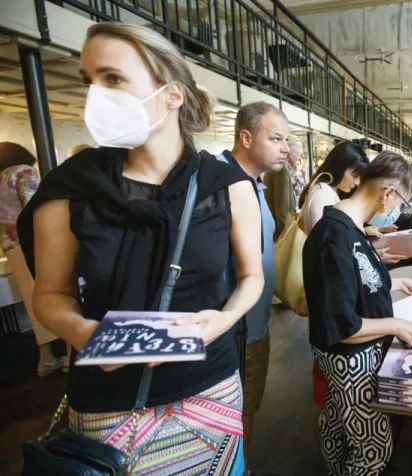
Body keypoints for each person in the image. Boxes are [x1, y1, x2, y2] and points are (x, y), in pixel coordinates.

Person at [17, 22, 264, 474]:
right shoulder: (71, 188)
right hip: (107, 403)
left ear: (172, 95)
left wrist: (225, 319)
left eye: (113, 78)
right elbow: (50, 294)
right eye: (89, 80)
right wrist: (84, 333)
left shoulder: (226, 185)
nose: (97, 95)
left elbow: (252, 276)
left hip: (210, 389)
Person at [304, 151, 412, 475]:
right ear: (387, 193)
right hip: (350, 357)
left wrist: (394, 283)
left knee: (337, 427)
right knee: (374, 449)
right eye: (401, 203)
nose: (398, 211)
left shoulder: (351, 227)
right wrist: (395, 324)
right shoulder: (335, 235)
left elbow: (355, 283)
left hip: (349, 355)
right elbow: (344, 325)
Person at [212, 101, 289, 470]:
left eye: (286, 140)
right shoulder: (220, 182)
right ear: (246, 137)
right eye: (276, 139)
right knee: (231, 414)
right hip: (232, 328)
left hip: (254, 325)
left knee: (247, 409)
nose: (285, 148)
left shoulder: (254, 184)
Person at [0, 142, 65, 377]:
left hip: (10, 246)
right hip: (33, 241)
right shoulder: (24, 172)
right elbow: (34, 209)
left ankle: (45, 358)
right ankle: (70, 353)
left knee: (32, 300)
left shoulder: (1, 179)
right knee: (57, 294)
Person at [263, 138, 301, 240]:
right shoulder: (282, 171)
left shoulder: (277, 168)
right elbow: (282, 204)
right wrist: (284, 231)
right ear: (291, 155)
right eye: (298, 156)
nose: (298, 159)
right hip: (280, 230)